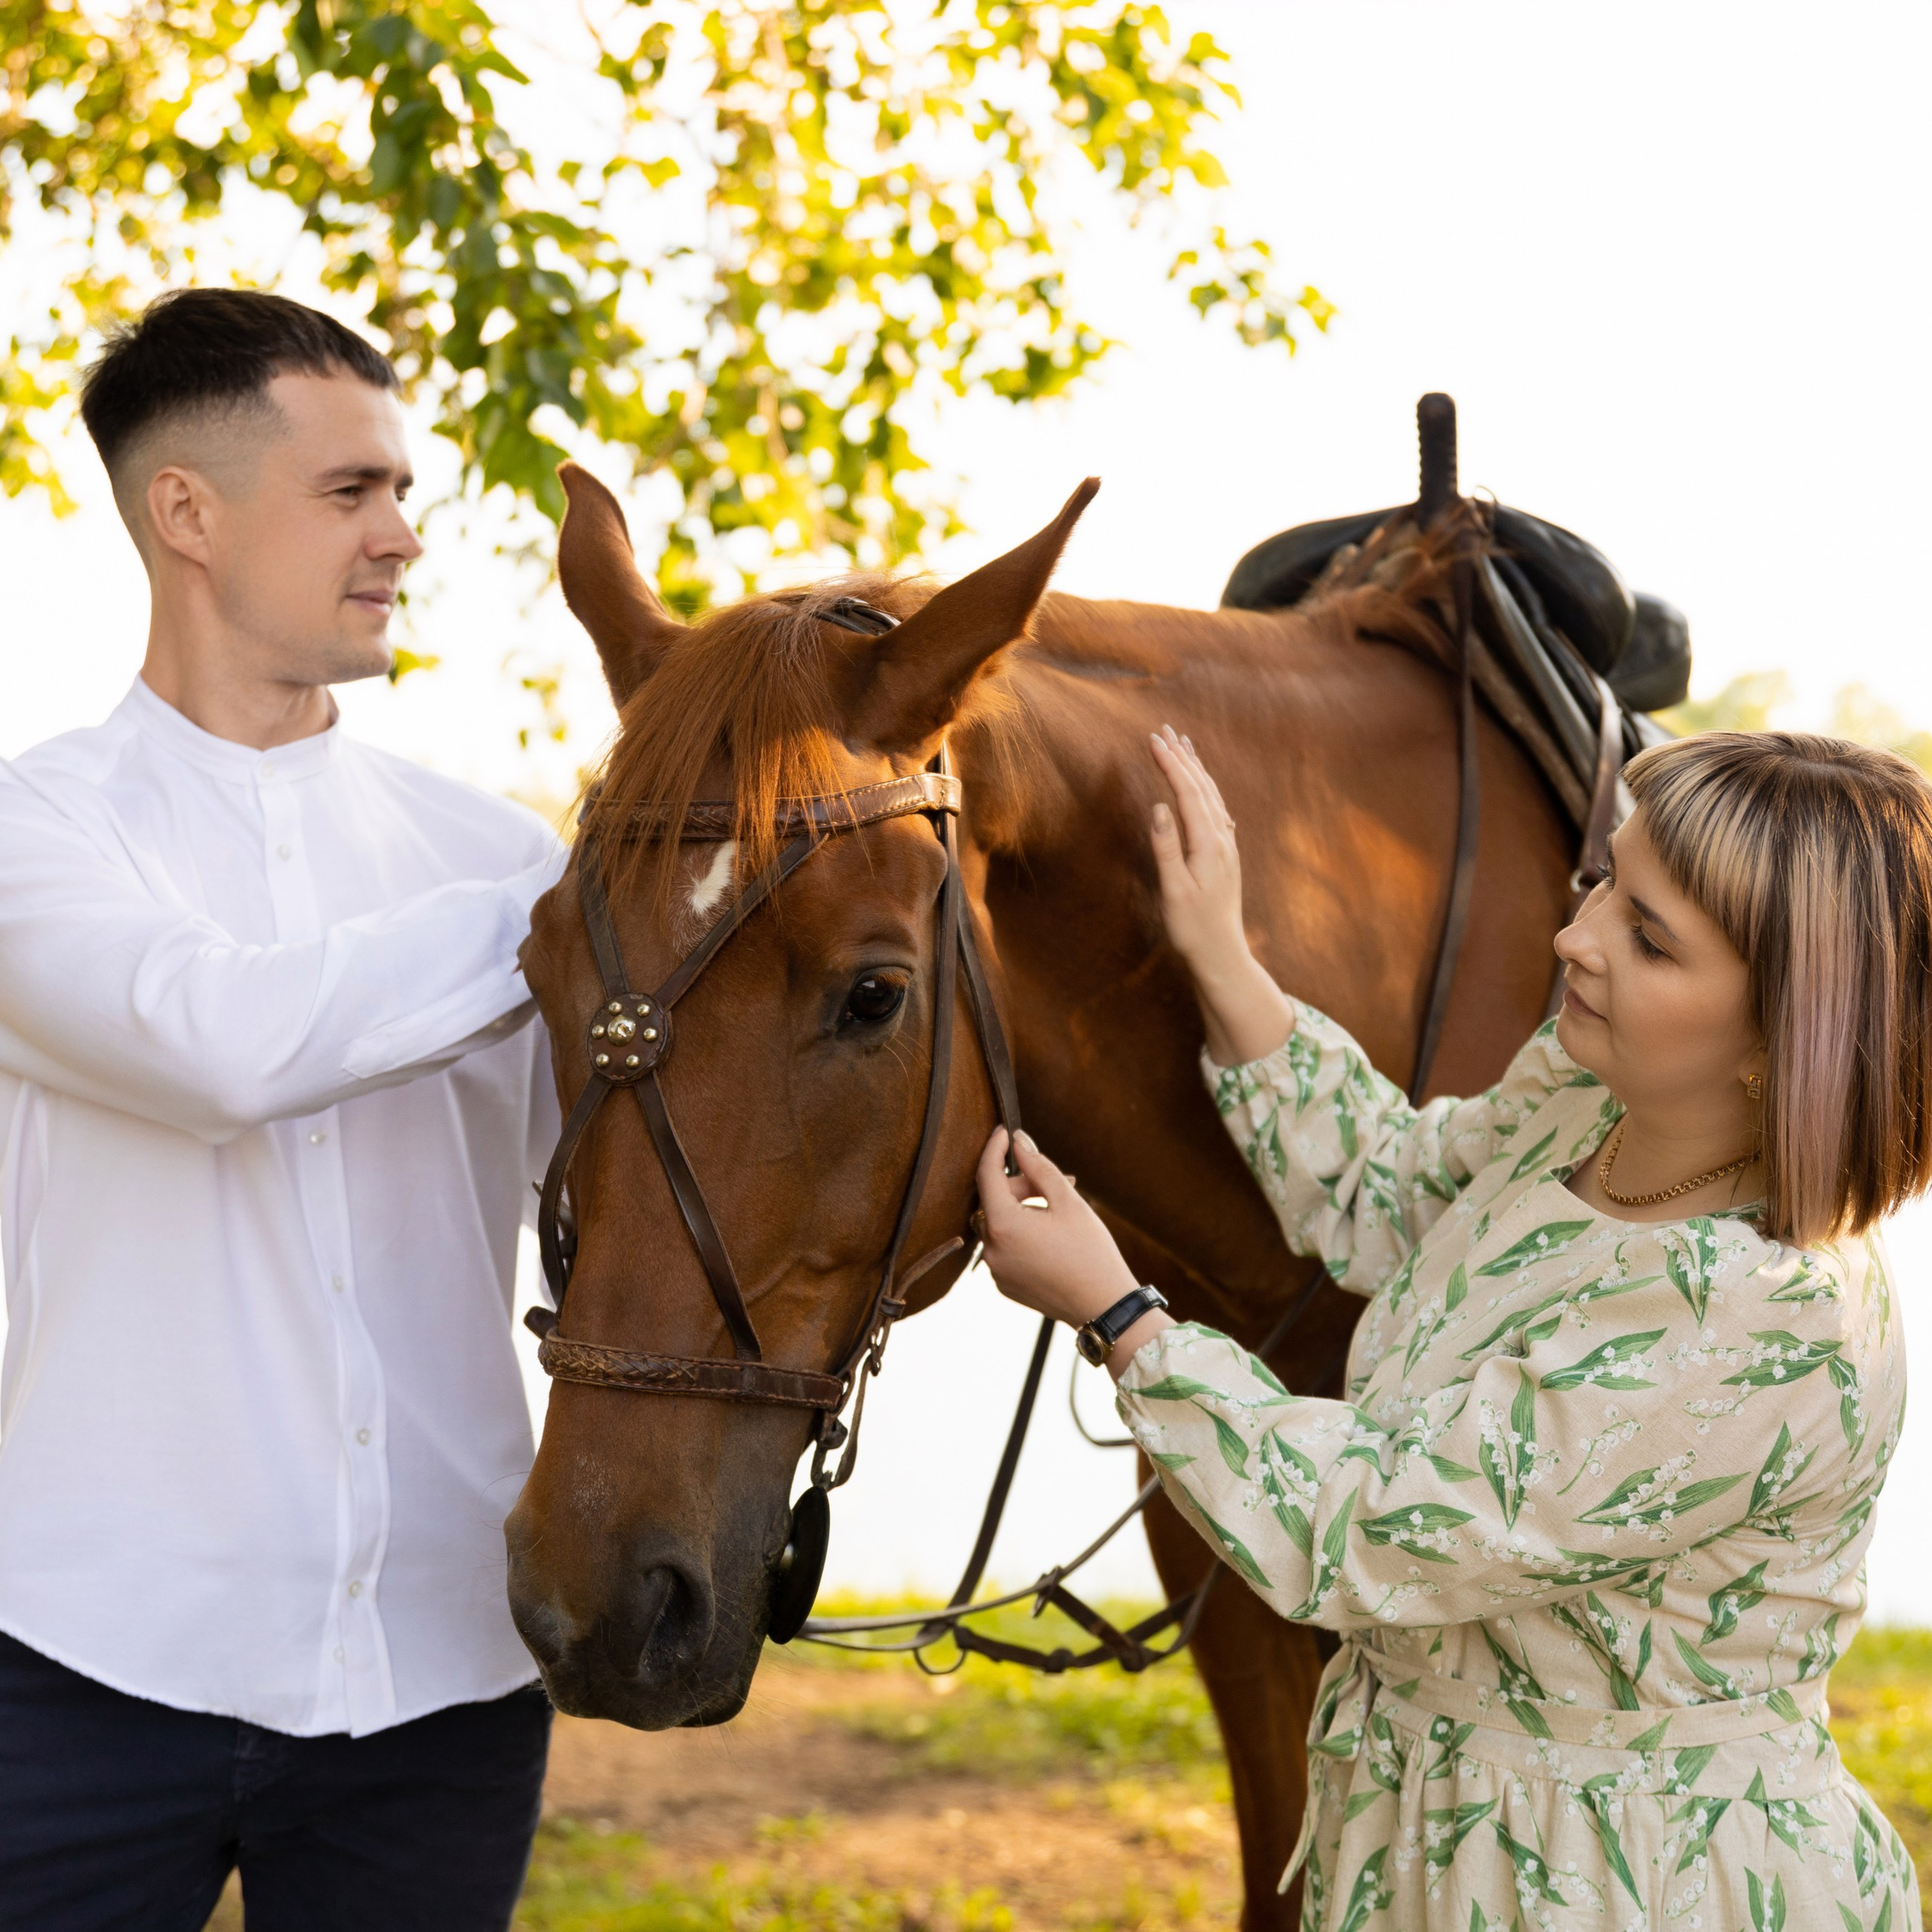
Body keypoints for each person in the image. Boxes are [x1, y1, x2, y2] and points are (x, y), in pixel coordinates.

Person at [976, 724, 1931, 1930]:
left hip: (1618, 1881)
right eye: (1604, 884)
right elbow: (1394, 1190)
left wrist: (1122, 1317)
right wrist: (1220, 951)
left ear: (1781, 1036)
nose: (1574, 940)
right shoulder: (1588, 1099)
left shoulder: (1769, 1319)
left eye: (1647, 939)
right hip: (1439, 1838)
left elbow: (1373, 1529)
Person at [0, 290, 565, 1930]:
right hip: (83, 1667)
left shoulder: (497, 849)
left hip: (445, 1673)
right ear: (186, 510)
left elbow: (626, 1198)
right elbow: (220, 1043)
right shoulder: (33, 834)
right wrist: (584, 899)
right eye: (350, 491)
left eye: (402, 493)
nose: (401, 533)